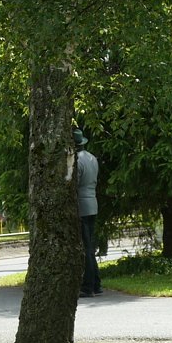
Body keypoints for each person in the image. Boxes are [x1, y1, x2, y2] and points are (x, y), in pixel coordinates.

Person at [75, 128, 101, 298]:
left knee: (86, 248)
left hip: (82, 206)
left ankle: (88, 285)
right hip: (92, 202)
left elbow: (74, 183)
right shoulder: (92, 158)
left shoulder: (77, 161)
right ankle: (97, 283)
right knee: (89, 246)